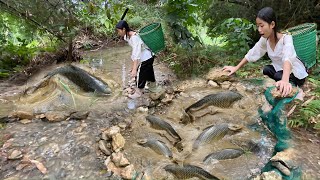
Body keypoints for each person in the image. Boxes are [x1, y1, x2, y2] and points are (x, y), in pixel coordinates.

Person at [223, 7, 308, 97]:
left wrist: (285, 80)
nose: (259, 29)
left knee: (278, 76)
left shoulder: (286, 39)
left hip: (294, 72)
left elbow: (288, 58)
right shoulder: (265, 39)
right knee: (267, 70)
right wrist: (236, 67)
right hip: (280, 69)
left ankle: (294, 88)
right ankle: (280, 83)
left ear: (272, 24)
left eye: (262, 25)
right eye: (258, 26)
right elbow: (253, 53)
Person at [116, 20, 158, 99]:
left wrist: (134, 69)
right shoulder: (127, 36)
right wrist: (133, 67)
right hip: (147, 56)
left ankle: (139, 92)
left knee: (140, 74)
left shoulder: (134, 38)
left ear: (124, 29)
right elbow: (134, 53)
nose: (118, 33)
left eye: (119, 31)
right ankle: (153, 87)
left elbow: (136, 54)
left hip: (147, 57)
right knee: (148, 71)